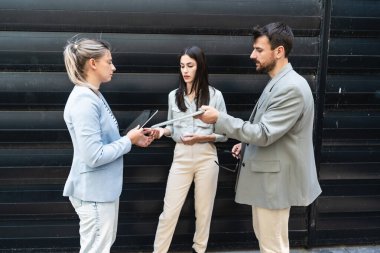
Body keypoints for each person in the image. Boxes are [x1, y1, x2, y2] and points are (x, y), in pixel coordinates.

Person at [197, 22, 322, 253]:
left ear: (279, 51)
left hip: (275, 184)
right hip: (270, 180)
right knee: (270, 243)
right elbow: (272, 132)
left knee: (272, 246)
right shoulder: (279, 82)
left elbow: (264, 133)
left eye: (259, 49)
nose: (252, 55)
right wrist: (246, 146)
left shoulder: (290, 87)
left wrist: (219, 119)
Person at [62, 37, 153, 253]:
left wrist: (133, 139)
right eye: (109, 61)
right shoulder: (84, 101)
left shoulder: (94, 95)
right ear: (93, 63)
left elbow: (101, 141)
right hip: (94, 194)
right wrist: (128, 140)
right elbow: (94, 156)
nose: (114, 67)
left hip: (102, 192)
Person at [151, 46, 228, 253]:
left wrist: (202, 137)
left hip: (206, 157)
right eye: (182, 66)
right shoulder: (173, 96)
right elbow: (172, 127)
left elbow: (225, 134)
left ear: (200, 67)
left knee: (203, 212)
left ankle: (199, 249)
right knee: (169, 212)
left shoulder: (215, 96)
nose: (185, 70)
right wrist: (160, 132)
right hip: (181, 157)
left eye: (190, 66)